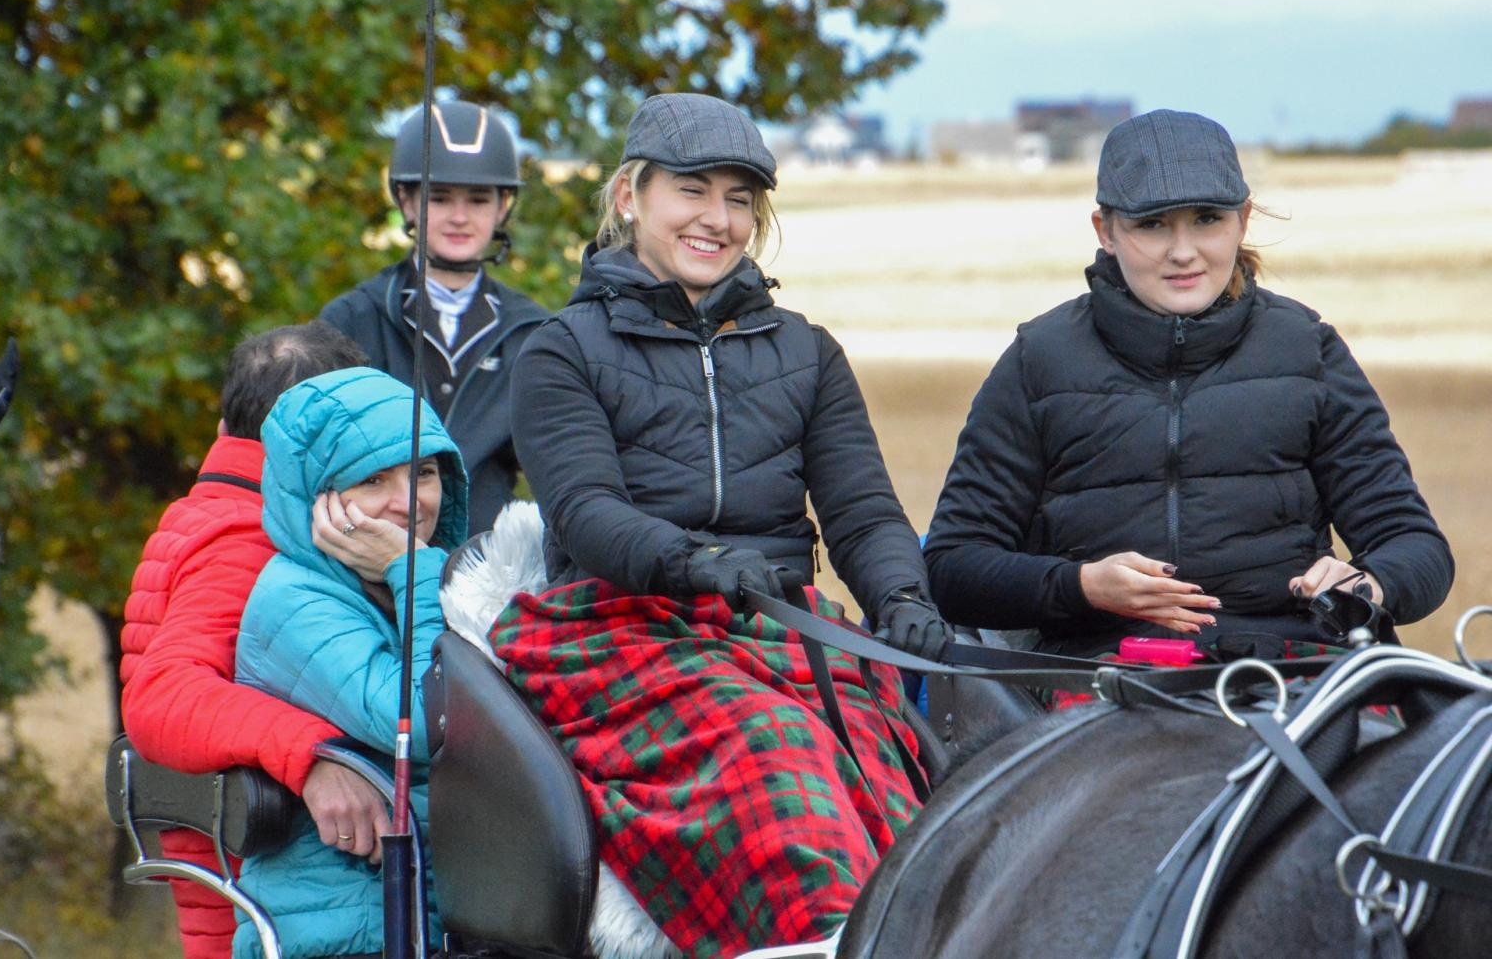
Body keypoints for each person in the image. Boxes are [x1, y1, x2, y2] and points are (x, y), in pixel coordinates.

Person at [502, 93, 948, 958]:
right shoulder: (562, 350)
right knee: (776, 751)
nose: (719, 219)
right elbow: (586, 515)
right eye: (693, 191)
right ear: (631, 196)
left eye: (739, 198)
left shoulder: (806, 351)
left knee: (898, 794)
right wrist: (693, 563)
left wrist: (901, 595)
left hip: (783, 630)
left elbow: (861, 510)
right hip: (623, 626)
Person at [923, 109, 1454, 660]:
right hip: (1100, 682)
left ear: (1243, 220)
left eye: (1207, 219)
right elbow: (951, 565)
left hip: (1298, 674)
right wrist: (1081, 586)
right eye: (1151, 224)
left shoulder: (1309, 350)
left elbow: (1417, 548)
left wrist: (1366, 587)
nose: (1183, 252)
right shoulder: (1039, 360)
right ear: (1105, 231)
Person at [120, 322, 378, 959]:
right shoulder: (245, 536)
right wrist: (313, 758)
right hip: (251, 868)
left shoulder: (207, 510)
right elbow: (163, 695)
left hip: (229, 856)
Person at [231, 366, 467, 959]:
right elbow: (421, 718)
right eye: (373, 480)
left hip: (435, 916)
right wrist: (413, 570)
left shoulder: (426, 584)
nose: (408, 503)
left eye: (425, 473)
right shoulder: (296, 598)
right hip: (348, 929)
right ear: (317, 495)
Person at [320, 100, 549, 535]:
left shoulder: (534, 333)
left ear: (502, 208)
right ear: (406, 201)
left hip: (484, 568)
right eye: (440, 198)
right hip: (370, 560)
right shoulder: (351, 319)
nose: (460, 217)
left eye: (478, 200)